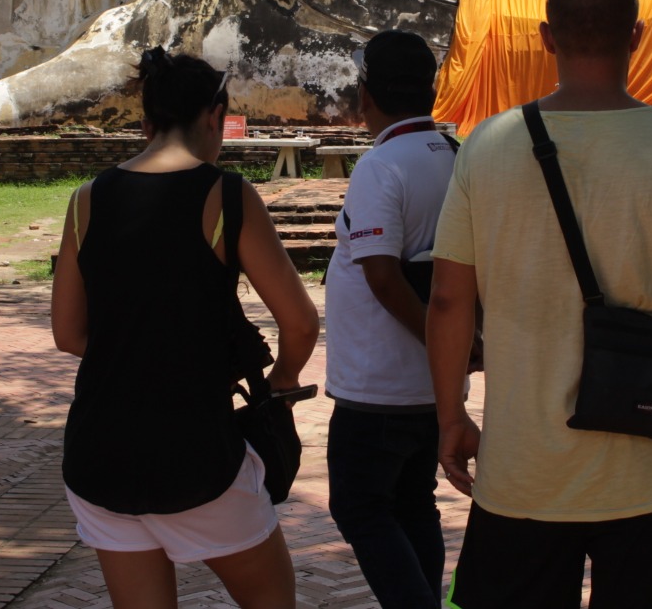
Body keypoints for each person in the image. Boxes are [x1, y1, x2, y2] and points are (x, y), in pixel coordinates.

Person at [427, 0, 652, 609]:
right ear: (637, 36)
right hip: (649, 468)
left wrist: (450, 417)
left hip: (522, 470)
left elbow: (447, 300)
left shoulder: (488, 146)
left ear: (547, 38)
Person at [51, 49, 320, 609]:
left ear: (146, 122)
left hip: (100, 451)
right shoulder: (226, 195)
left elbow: (69, 334)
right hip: (196, 452)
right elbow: (299, 322)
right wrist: (282, 380)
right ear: (214, 116)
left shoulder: (87, 200)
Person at [324, 30, 457, 608]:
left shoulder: (381, 165)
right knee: (413, 504)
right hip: (429, 385)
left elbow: (382, 274)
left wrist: (439, 341)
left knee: (360, 508)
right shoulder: (453, 154)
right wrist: (453, 348)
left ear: (367, 94)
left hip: (378, 384)